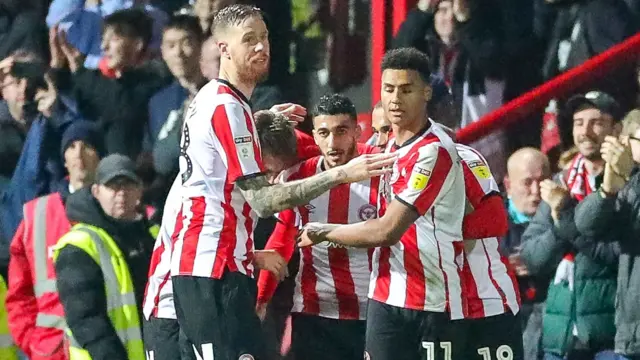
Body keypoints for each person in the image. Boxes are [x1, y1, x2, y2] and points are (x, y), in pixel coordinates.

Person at [167, 4, 395, 360]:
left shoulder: (214, 99)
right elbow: (265, 202)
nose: (261, 47)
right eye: (249, 40)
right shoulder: (228, 107)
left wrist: (261, 120)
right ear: (223, 48)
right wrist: (342, 174)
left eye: (264, 37)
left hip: (210, 264)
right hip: (213, 267)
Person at [298, 47, 467, 360]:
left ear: (426, 92)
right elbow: (333, 145)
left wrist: (322, 231)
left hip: (429, 300)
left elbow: (387, 230)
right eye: (389, 89)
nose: (396, 99)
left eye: (407, 90)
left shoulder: (433, 151)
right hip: (384, 296)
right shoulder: (389, 147)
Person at [142, 110, 300, 360]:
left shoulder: (227, 182)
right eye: (267, 170)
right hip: (170, 308)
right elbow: (193, 243)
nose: (270, 180)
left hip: (201, 300)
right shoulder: (204, 180)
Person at [256, 94, 378, 360]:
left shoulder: (382, 167)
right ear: (315, 135)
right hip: (314, 312)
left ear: (357, 131)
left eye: (341, 131)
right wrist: (262, 298)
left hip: (373, 311)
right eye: (324, 133)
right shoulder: (297, 178)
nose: (333, 143)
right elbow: (283, 236)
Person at [6, 122, 104, 360]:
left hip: (104, 348)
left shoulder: (115, 211)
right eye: (71, 146)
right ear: (63, 159)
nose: (78, 153)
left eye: (86, 145)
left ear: (100, 156)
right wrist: (34, 343)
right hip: (52, 352)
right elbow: (19, 294)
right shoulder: (37, 215)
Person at [53, 154, 157, 360]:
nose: (121, 193)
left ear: (140, 190)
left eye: (128, 185)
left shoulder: (154, 235)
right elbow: (86, 319)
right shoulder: (79, 245)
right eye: (113, 186)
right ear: (96, 191)